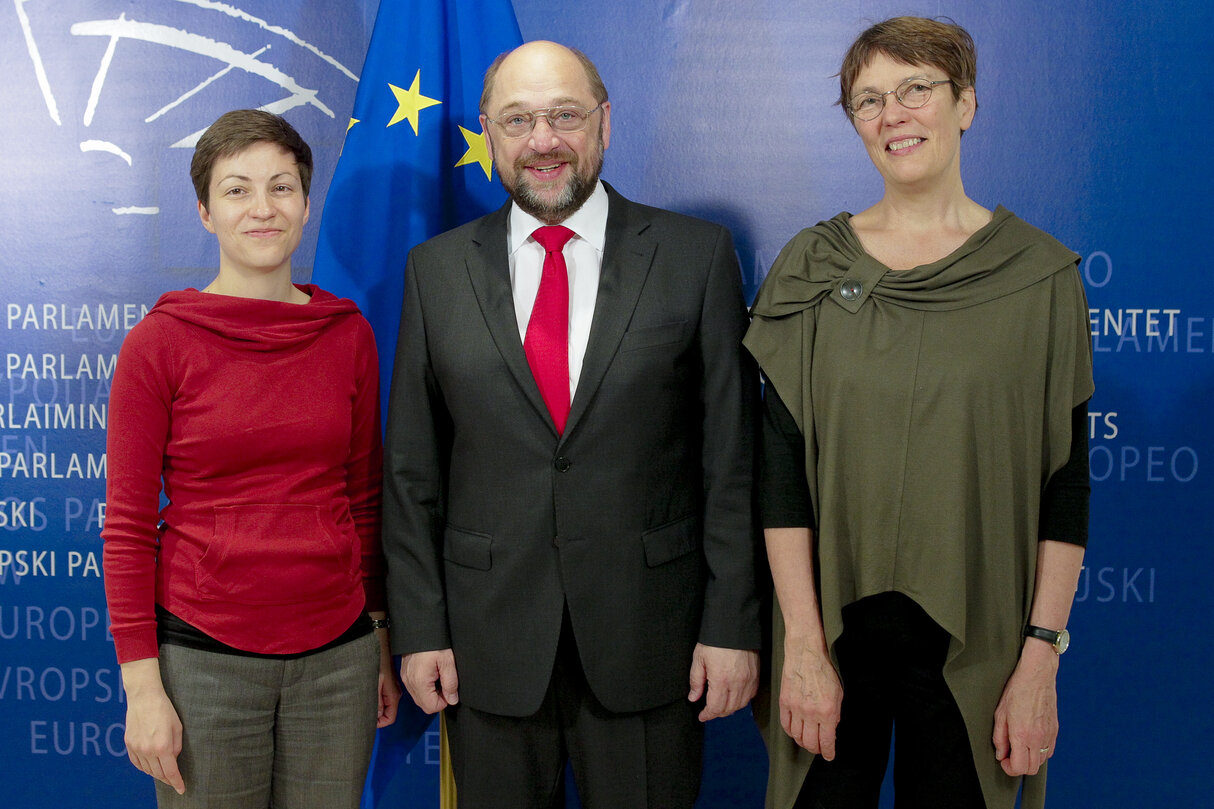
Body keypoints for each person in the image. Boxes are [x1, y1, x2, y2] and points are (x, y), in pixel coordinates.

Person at [382, 40, 760, 808]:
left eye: (564, 115)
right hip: (488, 650)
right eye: (518, 120)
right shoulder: (436, 270)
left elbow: (731, 461)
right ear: (489, 134)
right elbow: (413, 470)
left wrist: (733, 623)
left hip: (652, 644)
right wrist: (420, 627)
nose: (543, 140)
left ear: (604, 123)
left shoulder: (695, 256)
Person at [744, 17, 1093, 809]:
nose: (892, 115)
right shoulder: (811, 267)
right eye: (868, 100)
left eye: (915, 90)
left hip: (985, 651)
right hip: (828, 640)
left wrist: (1040, 658)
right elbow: (779, 474)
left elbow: (1064, 488)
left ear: (964, 103)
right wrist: (800, 643)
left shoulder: (1040, 277)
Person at [102, 109, 400, 808]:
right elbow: (126, 528)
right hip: (202, 660)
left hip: (340, 661)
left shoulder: (347, 334)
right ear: (205, 211)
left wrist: (379, 637)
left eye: (282, 187)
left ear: (305, 203)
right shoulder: (159, 344)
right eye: (237, 190)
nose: (263, 208)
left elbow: (363, 499)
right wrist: (143, 688)